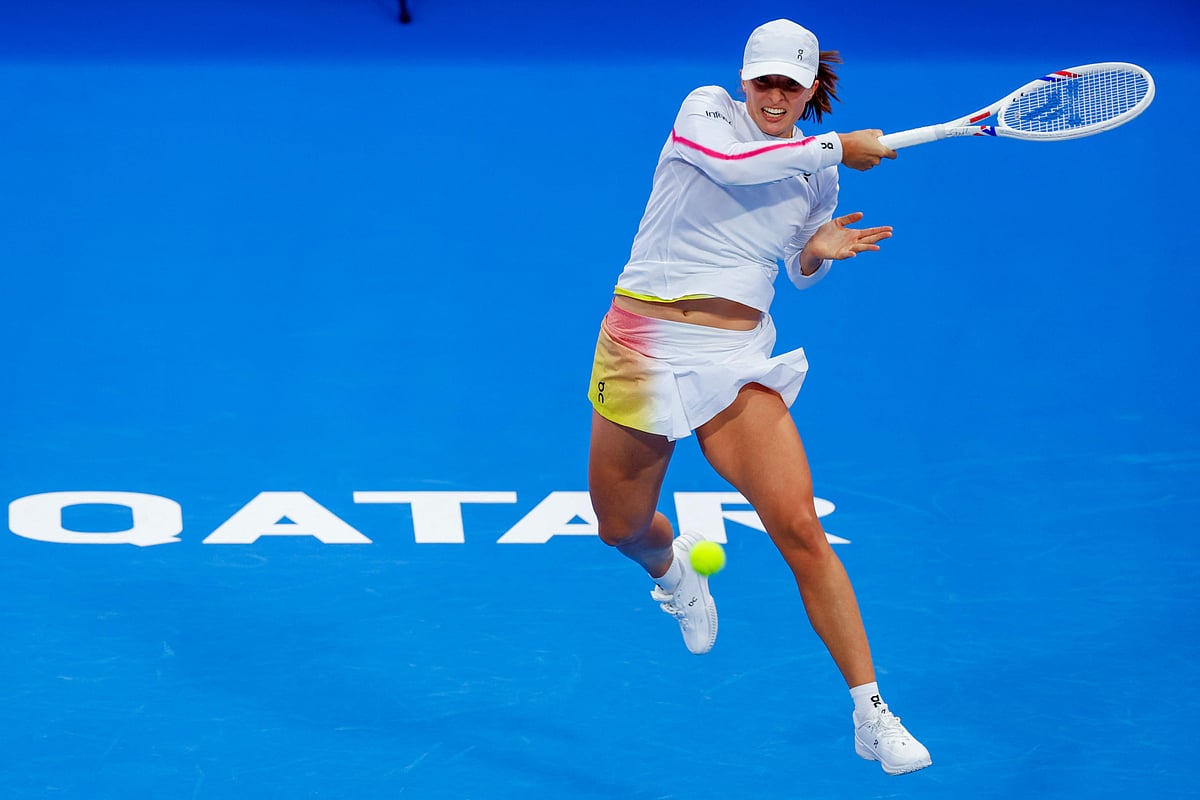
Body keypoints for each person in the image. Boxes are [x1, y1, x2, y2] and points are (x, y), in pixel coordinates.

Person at [586, 19, 932, 776]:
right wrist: (841, 143)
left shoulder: (819, 173)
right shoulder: (705, 112)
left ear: (810, 89)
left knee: (799, 526)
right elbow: (734, 166)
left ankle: (870, 711)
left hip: (734, 358)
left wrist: (817, 253)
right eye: (763, 81)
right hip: (643, 343)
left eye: (789, 84)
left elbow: (795, 266)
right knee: (620, 526)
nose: (774, 96)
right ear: (744, 81)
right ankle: (674, 575)